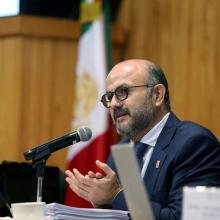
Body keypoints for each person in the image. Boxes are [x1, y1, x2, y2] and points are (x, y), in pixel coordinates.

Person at [65, 59, 220, 220]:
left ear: (157, 95)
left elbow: (181, 217)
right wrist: (104, 203)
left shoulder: (193, 144)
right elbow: (132, 214)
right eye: (109, 96)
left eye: (123, 92)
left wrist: (116, 196)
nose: (113, 104)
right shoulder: (123, 150)